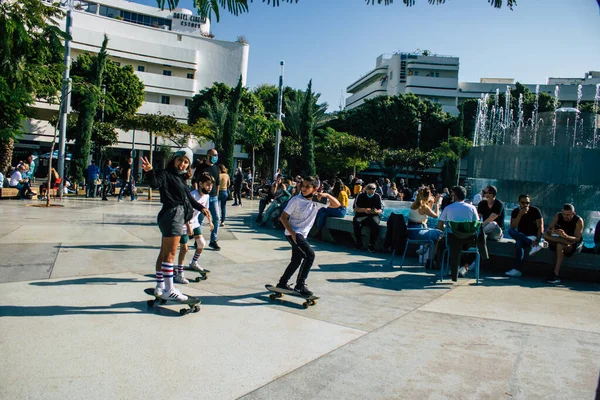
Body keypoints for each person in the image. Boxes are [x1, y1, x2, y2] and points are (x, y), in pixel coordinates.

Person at [142, 148, 209, 300]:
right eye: (180, 160)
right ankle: (169, 289)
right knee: (171, 254)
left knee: (164, 253)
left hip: (172, 215)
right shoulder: (165, 174)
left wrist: (201, 208)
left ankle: (160, 286)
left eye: (186, 162)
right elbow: (155, 184)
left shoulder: (180, 178)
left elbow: (188, 199)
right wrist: (150, 171)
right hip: (173, 215)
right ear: (174, 160)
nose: (182, 164)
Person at [275, 176, 341, 296]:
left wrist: (326, 195)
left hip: (301, 235)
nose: (303, 188)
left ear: (315, 189)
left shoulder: (317, 200)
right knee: (310, 255)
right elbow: (283, 218)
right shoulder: (296, 200)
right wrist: (293, 234)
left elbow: (337, 205)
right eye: (302, 186)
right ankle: (300, 285)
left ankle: (282, 283)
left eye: (307, 186)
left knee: (296, 260)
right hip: (293, 233)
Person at [436, 186, 488, 282]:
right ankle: (464, 266)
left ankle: (448, 267)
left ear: (455, 195)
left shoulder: (448, 208)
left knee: (442, 243)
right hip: (469, 241)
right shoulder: (472, 208)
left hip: (452, 241)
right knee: (476, 246)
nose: (450, 195)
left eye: (452, 193)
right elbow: (476, 225)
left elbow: (439, 226)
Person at [177, 172, 214, 283]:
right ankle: (179, 273)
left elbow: (205, 210)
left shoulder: (207, 196)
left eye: (211, 185)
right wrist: (188, 226)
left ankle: (194, 262)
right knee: (184, 249)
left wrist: (210, 222)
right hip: (184, 223)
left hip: (195, 223)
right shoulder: (192, 195)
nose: (209, 187)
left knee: (202, 243)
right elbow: (185, 212)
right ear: (201, 184)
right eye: (207, 185)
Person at [543, 204, 584, 284]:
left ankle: (556, 274)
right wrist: (552, 232)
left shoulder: (578, 220)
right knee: (545, 235)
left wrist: (565, 236)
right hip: (560, 239)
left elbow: (577, 239)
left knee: (559, 245)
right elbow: (548, 230)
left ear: (573, 213)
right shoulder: (558, 216)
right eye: (564, 214)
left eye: (568, 215)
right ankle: (561, 240)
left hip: (570, 243)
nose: (565, 216)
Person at [505, 194, 544, 277]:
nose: (525, 205)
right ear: (519, 202)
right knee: (510, 231)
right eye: (523, 203)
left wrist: (537, 240)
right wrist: (520, 214)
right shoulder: (516, 211)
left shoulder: (535, 210)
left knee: (519, 242)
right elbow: (513, 226)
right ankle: (531, 243)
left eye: (528, 203)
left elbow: (540, 226)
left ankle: (517, 269)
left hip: (532, 236)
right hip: (522, 235)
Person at [192, 148, 221, 250]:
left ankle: (213, 240)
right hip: (202, 197)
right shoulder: (201, 168)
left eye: (216, 155)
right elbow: (194, 181)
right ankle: (197, 239)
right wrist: (197, 193)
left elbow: (217, 184)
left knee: (217, 218)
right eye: (213, 155)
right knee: (199, 219)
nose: (215, 157)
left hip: (213, 198)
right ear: (208, 156)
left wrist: (216, 195)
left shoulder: (217, 169)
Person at [407, 188, 442, 264]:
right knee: (439, 235)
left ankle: (426, 247)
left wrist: (432, 202)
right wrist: (437, 204)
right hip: (418, 233)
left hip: (411, 232)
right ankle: (430, 261)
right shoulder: (424, 207)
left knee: (432, 234)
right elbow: (436, 215)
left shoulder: (414, 204)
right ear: (427, 197)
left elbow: (427, 210)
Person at [353, 183, 383, 253]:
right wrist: (365, 210)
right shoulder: (360, 195)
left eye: (373, 189)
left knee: (375, 225)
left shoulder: (377, 196)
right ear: (366, 189)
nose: (371, 190)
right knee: (357, 224)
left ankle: (371, 245)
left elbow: (380, 209)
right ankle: (358, 243)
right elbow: (355, 208)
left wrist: (375, 211)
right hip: (361, 215)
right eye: (369, 188)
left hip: (373, 215)